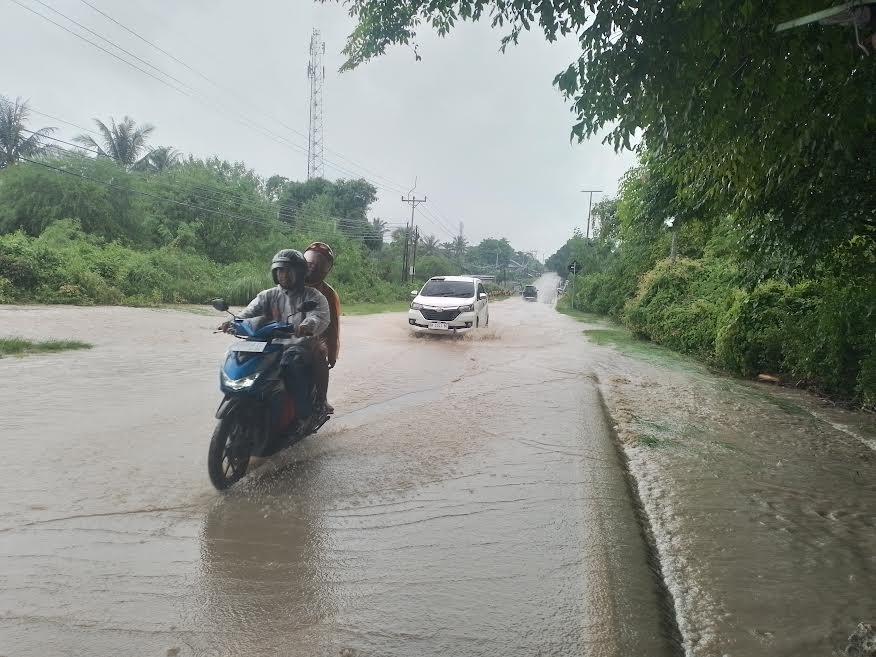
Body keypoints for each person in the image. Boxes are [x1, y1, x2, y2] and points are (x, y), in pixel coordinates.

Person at [219, 249, 331, 422]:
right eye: (279, 270)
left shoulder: (313, 296)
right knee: (238, 356)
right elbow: (248, 312)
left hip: (299, 345)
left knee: (292, 362)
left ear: (300, 273)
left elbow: (319, 316)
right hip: (268, 345)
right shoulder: (268, 295)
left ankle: (307, 409)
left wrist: (307, 325)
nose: (283, 275)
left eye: (288, 271)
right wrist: (232, 321)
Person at [304, 242, 340, 415]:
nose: (313, 266)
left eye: (320, 263)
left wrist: (331, 354)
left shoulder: (329, 294)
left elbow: (332, 327)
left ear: (326, 269)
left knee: (319, 354)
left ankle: (321, 400)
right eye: (311, 260)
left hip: (310, 340)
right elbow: (268, 303)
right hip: (282, 335)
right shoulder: (289, 279)